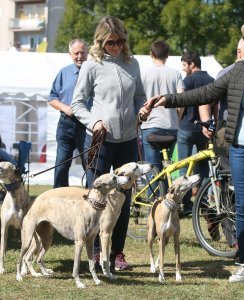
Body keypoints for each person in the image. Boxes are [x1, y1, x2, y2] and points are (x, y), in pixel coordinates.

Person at [146, 14, 244, 290]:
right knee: (243, 207)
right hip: (241, 148)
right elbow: (206, 93)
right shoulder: (241, 69)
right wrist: (167, 100)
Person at [71, 16, 150, 271]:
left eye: (120, 41)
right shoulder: (91, 65)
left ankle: (117, 253)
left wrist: (141, 111)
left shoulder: (133, 63)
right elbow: (77, 104)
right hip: (100, 141)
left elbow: (140, 97)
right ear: (100, 41)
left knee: (123, 199)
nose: (115, 46)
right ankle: (95, 252)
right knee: (97, 197)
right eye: (110, 42)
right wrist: (94, 122)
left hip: (128, 140)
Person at [177, 52, 214, 216]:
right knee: (204, 167)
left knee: (184, 167)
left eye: (184, 65)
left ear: (192, 64)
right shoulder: (211, 80)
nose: (183, 69)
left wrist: (178, 120)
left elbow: (182, 103)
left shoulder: (187, 80)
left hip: (186, 127)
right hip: (204, 129)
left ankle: (185, 205)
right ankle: (203, 201)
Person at [48, 39, 89, 188]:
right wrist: (66, 108)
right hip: (66, 124)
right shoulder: (63, 73)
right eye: (76, 53)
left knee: (89, 165)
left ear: (88, 53)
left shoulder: (95, 72)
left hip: (87, 126)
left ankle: (92, 198)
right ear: (70, 54)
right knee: (61, 165)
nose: (79, 56)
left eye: (82, 53)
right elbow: (52, 98)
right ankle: (58, 198)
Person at [140, 40, 185, 171]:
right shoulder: (175, 73)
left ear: (151, 54)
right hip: (171, 126)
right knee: (167, 169)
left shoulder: (143, 73)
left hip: (150, 126)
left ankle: (155, 192)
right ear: (168, 55)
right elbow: (181, 100)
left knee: (152, 170)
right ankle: (166, 191)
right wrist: (177, 119)